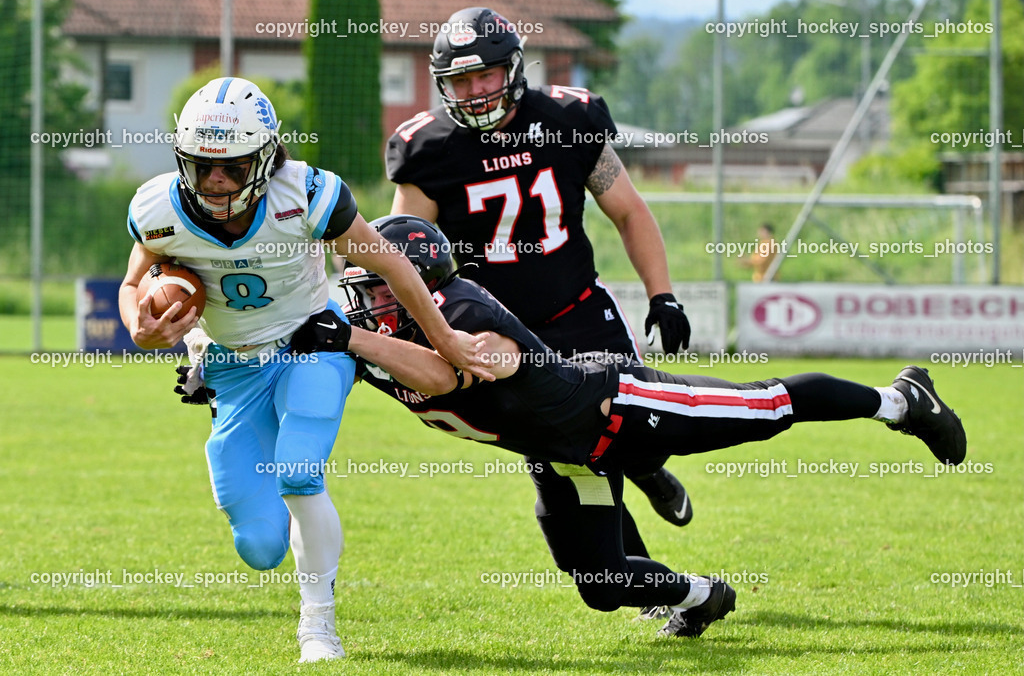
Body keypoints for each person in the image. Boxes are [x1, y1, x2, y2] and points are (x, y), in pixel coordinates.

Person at [181, 215, 966, 638]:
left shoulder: (462, 311)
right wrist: (218, 372)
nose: (367, 301)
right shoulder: (373, 334)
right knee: (600, 584)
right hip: (559, 451)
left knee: (765, 407)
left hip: (620, 409)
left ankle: (901, 399)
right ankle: (701, 594)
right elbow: (307, 363)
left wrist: (350, 337)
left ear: (420, 282)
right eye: (363, 289)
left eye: (380, 287)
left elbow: (450, 372)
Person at [119, 78, 491, 664]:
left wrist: (445, 338)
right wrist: (139, 328)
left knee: (297, 471)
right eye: (203, 166)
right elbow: (132, 283)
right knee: (259, 545)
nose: (216, 182)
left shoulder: (307, 194)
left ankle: (317, 627)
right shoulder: (159, 208)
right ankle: (290, 552)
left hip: (311, 341)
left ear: (266, 158)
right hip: (233, 365)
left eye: (233, 167)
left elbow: (391, 262)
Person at [385, 7, 695, 603]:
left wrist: (663, 295)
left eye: (486, 75)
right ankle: (650, 583)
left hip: (581, 312)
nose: (475, 91)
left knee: (640, 433)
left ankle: (649, 466)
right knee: (577, 462)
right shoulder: (426, 148)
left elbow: (628, 211)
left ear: (514, 69)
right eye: (460, 80)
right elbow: (402, 256)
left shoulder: (567, 118)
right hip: (503, 339)